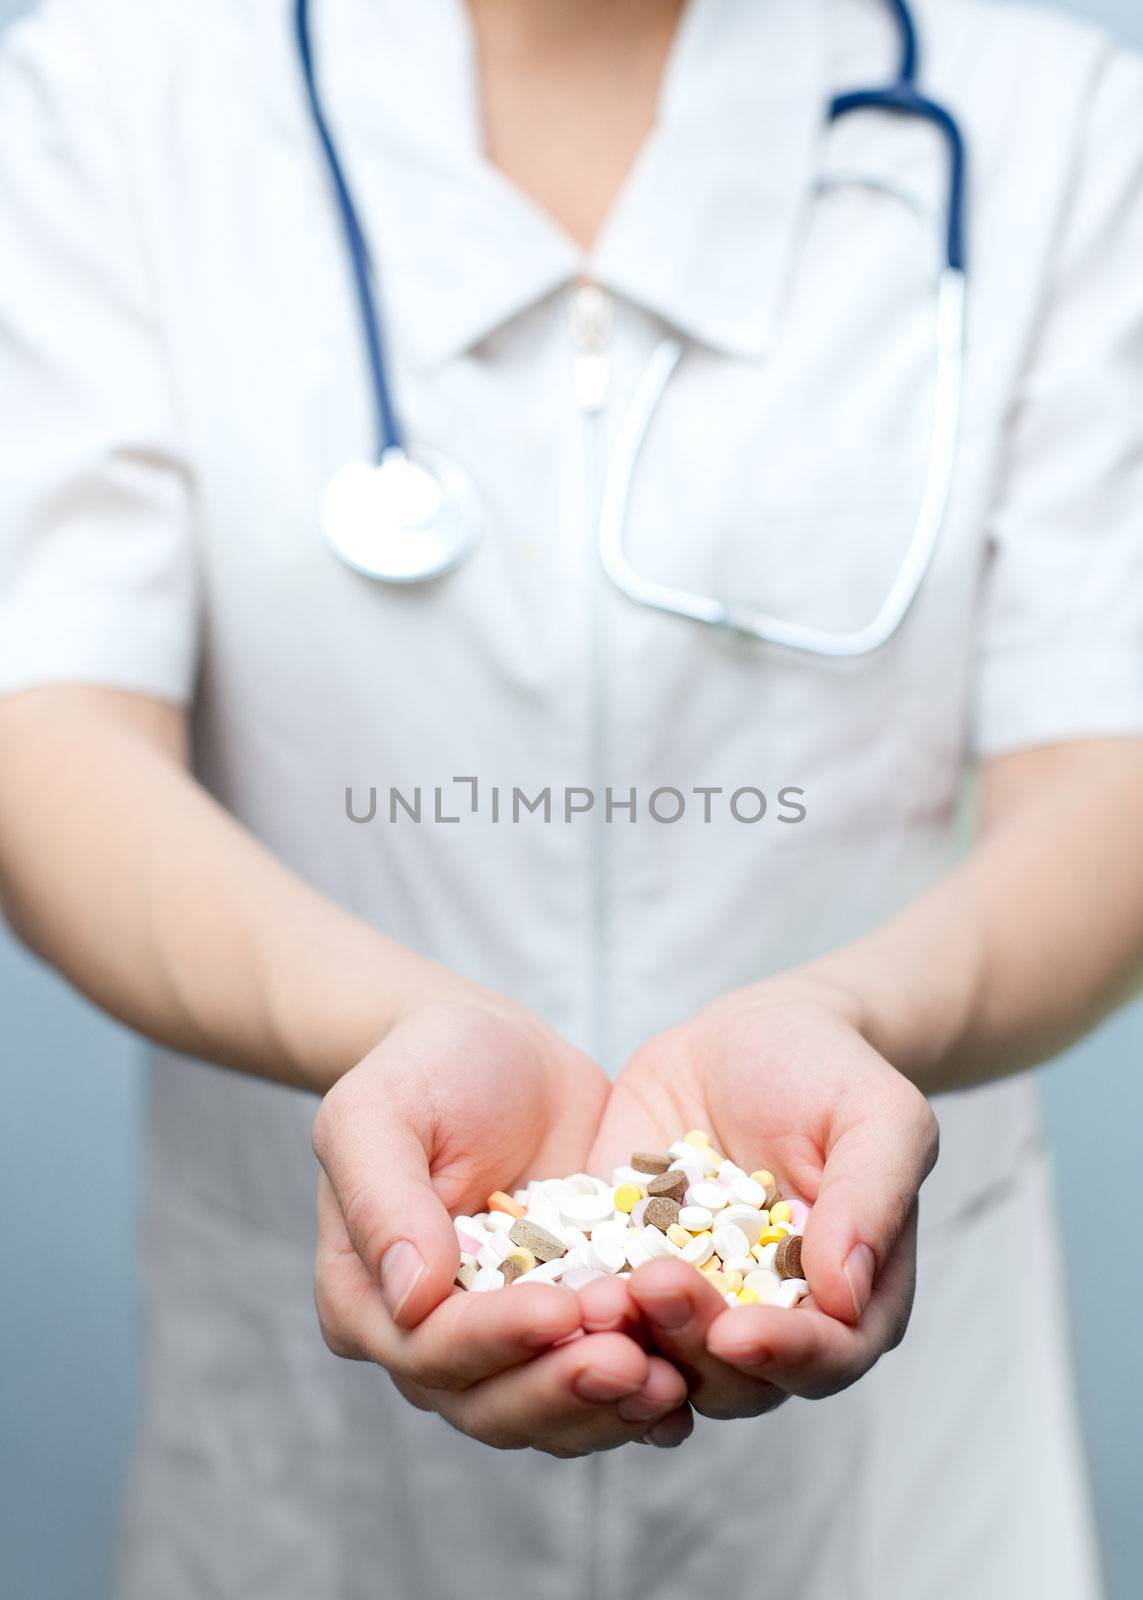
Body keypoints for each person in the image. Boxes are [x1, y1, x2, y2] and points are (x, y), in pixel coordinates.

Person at [1, 0, 1141, 1594]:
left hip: (886, 1479)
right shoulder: (121, 84)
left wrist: (857, 1019)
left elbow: (1111, 771)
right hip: (316, 1469)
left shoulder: (1054, 118)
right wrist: (383, 1029)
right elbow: (47, 736)